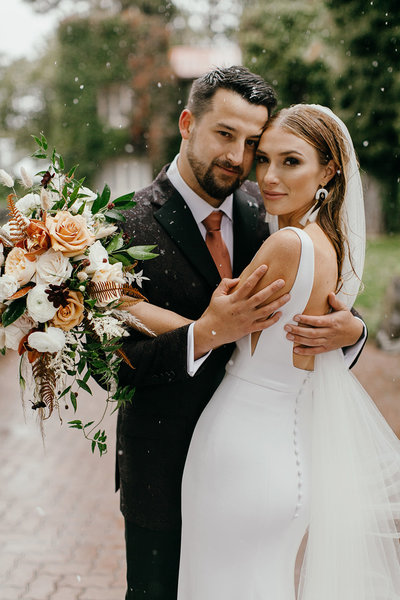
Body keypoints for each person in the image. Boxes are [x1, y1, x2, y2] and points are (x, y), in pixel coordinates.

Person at [131, 104, 400, 599]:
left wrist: (123, 303)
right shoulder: (331, 244)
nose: (270, 177)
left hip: (241, 453)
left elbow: (216, 329)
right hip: (289, 453)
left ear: (329, 170)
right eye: (265, 160)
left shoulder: (287, 245)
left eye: (291, 162)